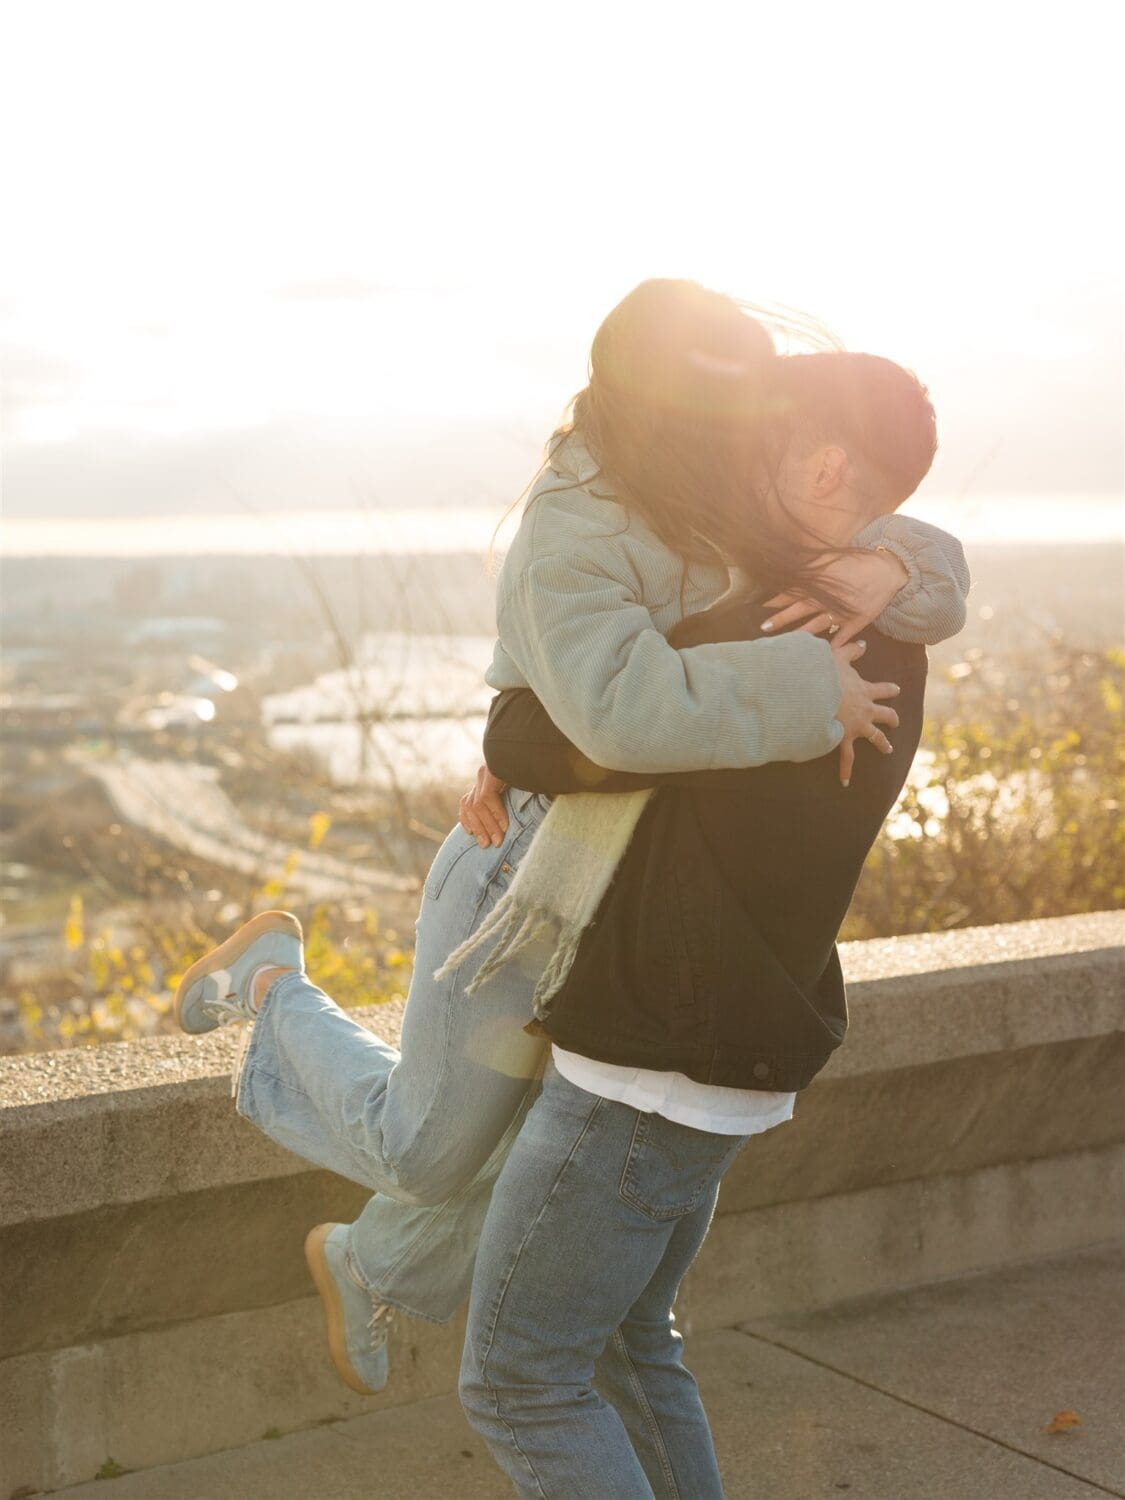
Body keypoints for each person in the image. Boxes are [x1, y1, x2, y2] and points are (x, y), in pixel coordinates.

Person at [170, 283, 968, 1400]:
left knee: (527, 1140)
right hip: (525, 868)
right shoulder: (579, 517)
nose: (753, 434)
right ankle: (272, 987)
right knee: (427, 1151)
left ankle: (371, 1264)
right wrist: (807, 690)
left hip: (630, 881)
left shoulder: (732, 487)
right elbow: (618, 711)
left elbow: (900, 532)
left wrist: (899, 569)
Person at [457, 351, 948, 1497]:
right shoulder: (886, 629)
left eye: (758, 434)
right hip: (726, 1048)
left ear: (823, 465)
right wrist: (904, 564)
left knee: (520, 1382)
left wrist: (506, 733)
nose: (728, 457)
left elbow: (548, 733)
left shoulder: (771, 625)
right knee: (632, 1346)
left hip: (643, 1065)